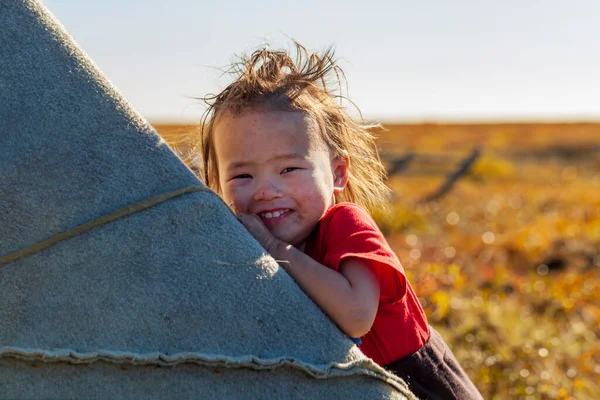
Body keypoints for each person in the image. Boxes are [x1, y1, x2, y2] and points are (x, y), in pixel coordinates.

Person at [197, 42, 483, 399]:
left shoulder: (345, 224)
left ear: (337, 172)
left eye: (288, 169)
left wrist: (274, 249)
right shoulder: (241, 242)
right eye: (242, 176)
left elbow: (356, 315)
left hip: (412, 384)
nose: (265, 190)